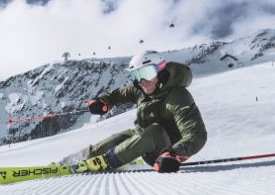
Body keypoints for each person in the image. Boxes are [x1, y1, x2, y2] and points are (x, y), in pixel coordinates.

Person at [68, 50, 208, 173]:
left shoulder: (178, 96)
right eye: (137, 74)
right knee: (120, 137)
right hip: (143, 137)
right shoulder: (141, 89)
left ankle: (107, 161)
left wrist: (174, 154)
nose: (142, 80)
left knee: (154, 131)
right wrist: (102, 102)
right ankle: (76, 160)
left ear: (161, 71)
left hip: (165, 153)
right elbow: (117, 95)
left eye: (147, 73)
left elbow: (196, 134)